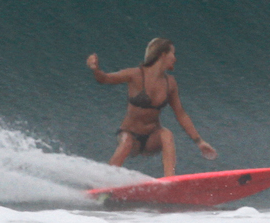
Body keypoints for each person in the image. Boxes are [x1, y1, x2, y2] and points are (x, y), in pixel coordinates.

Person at [86, 38, 216, 176]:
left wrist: (199, 141)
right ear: (162, 54)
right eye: (173, 53)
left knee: (166, 135)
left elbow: (180, 113)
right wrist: (96, 69)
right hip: (130, 135)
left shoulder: (170, 83)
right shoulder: (135, 74)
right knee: (126, 142)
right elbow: (105, 79)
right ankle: (104, 182)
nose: (175, 59)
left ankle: (170, 180)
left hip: (151, 139)